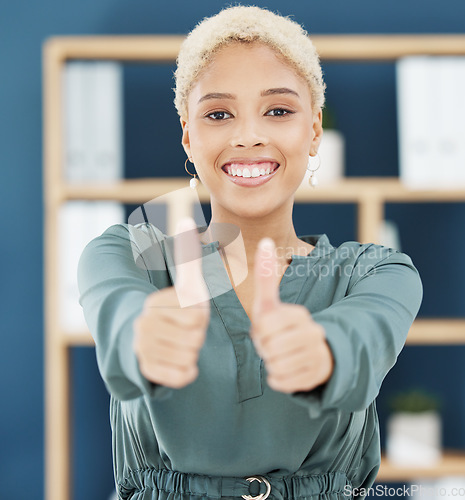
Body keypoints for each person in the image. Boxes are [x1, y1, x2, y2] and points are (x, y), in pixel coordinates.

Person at [77, 5, 423, 500]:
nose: (248, 136)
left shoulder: (373, 272)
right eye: (219, 114)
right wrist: (140, 334)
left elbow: (365, 334)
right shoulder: (135, 252)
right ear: (188, 136)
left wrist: (322, 351)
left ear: (314, 130)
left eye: (278, 110)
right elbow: (117, 309)